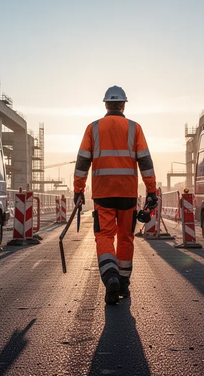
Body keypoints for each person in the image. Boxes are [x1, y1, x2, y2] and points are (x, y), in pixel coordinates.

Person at [74, 85, 157, 305]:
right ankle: (122, 283)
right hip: (127, 194)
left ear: (105, 104)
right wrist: (151, 191)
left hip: (102, 193)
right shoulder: (134, 128)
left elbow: (82, 162)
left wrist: (78, 190)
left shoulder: (93, 128)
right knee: (126, 237)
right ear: (123, 105)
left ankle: (110, 276)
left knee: (104, 236)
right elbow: (146, 162)